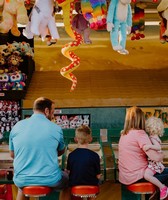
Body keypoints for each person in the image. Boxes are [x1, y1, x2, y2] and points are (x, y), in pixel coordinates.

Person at [9, 97, 69, 200]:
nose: (53, 115)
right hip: (50, 179)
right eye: (52, 112)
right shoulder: (56, 128)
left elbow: (12, 154)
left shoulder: (17, 126)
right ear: (46, 111)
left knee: (21, 187)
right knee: (67, 180)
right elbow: (61, 151)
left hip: (21, 179)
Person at [118, 106, 168, 200]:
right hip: (137, 176)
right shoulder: (140, 133)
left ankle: (155, 193)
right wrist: (162, 155)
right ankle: (159, 193)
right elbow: (156, 158)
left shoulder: (123, 134)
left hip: (125, 176)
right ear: (141, 119)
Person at [60, 125, 101, 200]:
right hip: (91, 186)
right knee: (97, 181)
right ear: (90, 139)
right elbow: (98, 175)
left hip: (75, 185)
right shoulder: (95, 155)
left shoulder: (71, 155)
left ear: (75, 139)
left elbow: (69, 172)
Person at [144, 116, 168, 200]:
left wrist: (149, 146)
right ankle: (157, 190)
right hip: (156, 163)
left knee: (147, 175)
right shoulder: (156, 137)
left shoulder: (152, 137)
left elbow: (158, 147)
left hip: (153, 164)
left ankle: (162, 187)